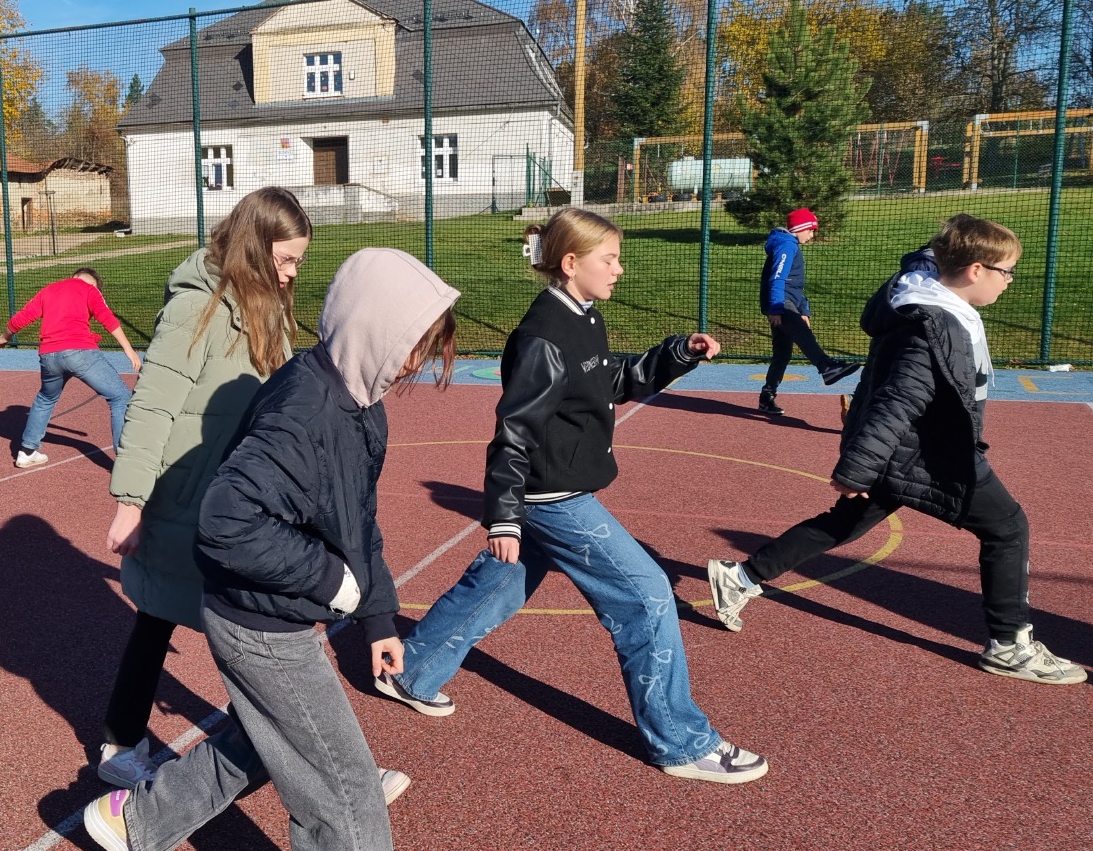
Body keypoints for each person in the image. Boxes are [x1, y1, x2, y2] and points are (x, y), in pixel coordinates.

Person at [81, 247, 460, 851]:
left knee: (269, 739)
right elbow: (226, 520)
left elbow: (358, 520)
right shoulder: (303, 411)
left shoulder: (361, 406)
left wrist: (378, 619)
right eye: (412, 344)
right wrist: (332, 581)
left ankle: (136, 822)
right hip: (257, 622)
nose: (415, 362)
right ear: (374, 327)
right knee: (345, 793)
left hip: (273, 611)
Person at [372, 208, 770, 784]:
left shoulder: (583, 316)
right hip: (552, 498)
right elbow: (513, 431)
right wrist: (504, 518)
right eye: (610, 259)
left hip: (556, 490)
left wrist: (676, 354)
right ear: (570, 263)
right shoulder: (542, 337)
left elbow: (609, 381)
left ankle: (412, 671)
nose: (619, 269)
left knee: (500, 585)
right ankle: (681, 743)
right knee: (645, 596)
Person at [707, 214, 1086, 685]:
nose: (1009, 281)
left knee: (845, 523)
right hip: (924, 453)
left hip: (904, 451)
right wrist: (857, 468)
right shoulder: (933, 324)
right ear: (975, 270)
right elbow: (899, 400)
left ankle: (741, 577)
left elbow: (924, 261)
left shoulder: (924, 293)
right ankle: (1010, 645)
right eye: (1006, 271)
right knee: (1007, 527)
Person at [96, 187, 310, 788]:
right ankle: (122, 744)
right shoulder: (196, 308)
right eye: (286, 259)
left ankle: (288, 751)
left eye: (298, 261)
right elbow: (153, 404)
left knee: (220, 621)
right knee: (172, 618)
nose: (293, 273)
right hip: (186, 496)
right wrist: (131, 503)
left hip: (241, 499)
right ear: (255, 246)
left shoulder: (268, 307)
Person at [0, 267, 142, 467]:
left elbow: (23, 317)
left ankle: (27, 452)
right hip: (79, 352)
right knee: (120, 397)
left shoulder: (49, 290)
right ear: (92, 283)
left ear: (74, 277)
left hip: (49, 355)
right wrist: (129, 349)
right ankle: (126, 464)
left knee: (46, 398)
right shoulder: (90, 290)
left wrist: (4, 337)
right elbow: (107, 318)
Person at [758, 207, 860, 416]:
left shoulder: (789, 244)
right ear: (800, 228)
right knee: (803, 334)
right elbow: (777, 278)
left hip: (787, 300)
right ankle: (826, 367)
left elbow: (795, 285)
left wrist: (803, 309)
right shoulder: (786, 245)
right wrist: (776, 307)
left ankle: (767, 396)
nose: (812, 235)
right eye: (811, 230)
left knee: (782, 352)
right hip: (781, 302)